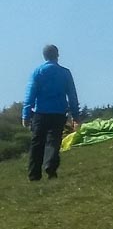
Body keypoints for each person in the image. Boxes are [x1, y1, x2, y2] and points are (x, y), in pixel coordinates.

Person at [21, 44, 80, 181]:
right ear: (57, 55)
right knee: (54, 141)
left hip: (40, 113)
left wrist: (26, 115)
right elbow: (72, 95)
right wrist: (75, 116)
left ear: (44, 56)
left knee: (37, 143)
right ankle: (50, 166)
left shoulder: (37, 72)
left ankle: (34, 175)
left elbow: (30, 94)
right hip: (58, 113)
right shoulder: (65, 73)